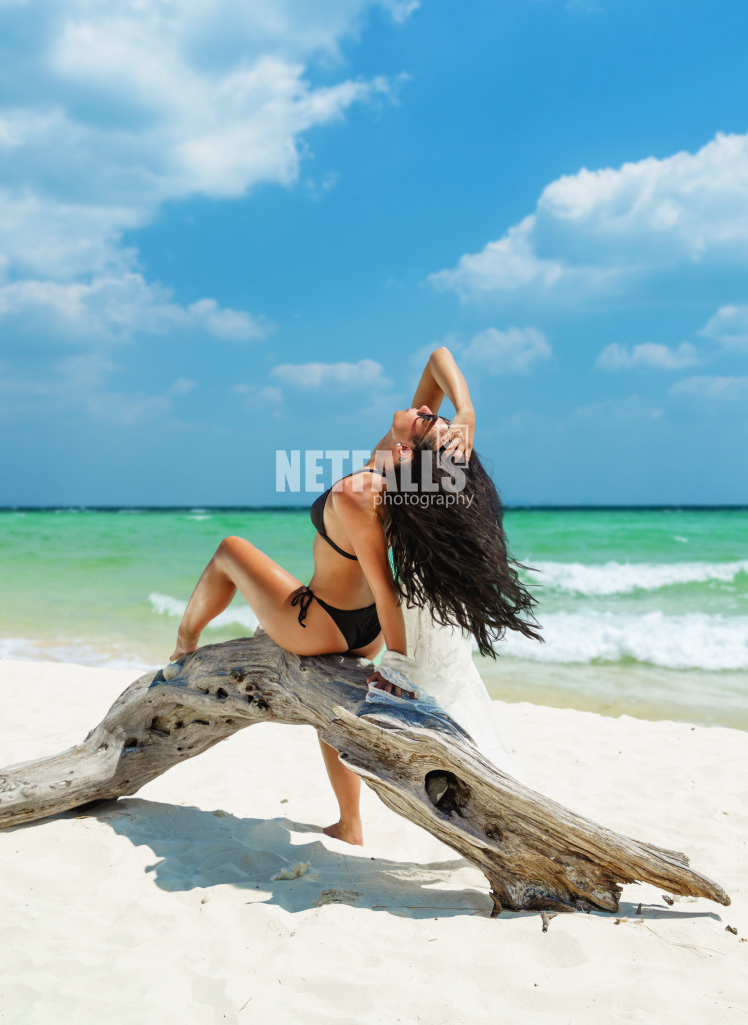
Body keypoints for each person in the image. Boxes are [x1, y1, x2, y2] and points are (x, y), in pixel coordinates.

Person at [169, 347, 541, 844]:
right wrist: (467, 413)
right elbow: (438, 359)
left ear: (411, 452)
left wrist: (399, 670)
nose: (428, 410)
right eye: (433, 413)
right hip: (358, 624)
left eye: (429, 420)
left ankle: (183, 645)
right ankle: (350, 823)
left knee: (230, 550)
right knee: (331, 709)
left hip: (324, 623)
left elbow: (386, 589)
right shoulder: (397, 467)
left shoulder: (363, 491)